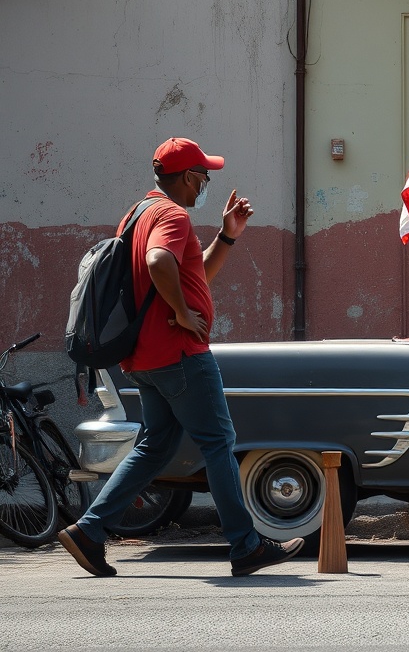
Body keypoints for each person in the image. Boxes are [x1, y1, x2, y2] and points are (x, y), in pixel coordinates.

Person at [58, 137, 303, 576]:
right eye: (204, 176)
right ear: (189, 177)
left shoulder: (139, 213)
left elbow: (193, 275)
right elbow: (158, 262)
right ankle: (246, 545)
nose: (206, 184)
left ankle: (89, 531)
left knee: (155, 446)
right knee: (219, 442)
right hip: (179, 353)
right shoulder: (172, 215)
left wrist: (227, 236)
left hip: (145, 359)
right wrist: (183, 314)